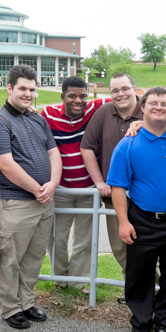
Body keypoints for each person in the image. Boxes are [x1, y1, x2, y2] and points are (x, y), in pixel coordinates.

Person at [107, 87, 166, 332]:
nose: (158, 108)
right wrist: (123, 222)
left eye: (164, 104)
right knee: (139, 274)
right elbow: (118, 186)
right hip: (142, 218)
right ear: (142, 108)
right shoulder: (128, 144)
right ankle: (141, 323)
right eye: (153, 103)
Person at [0, 64, 61, 330]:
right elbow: (5, 164)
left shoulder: (37, 119)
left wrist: (52, 183)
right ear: (9, 88)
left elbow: (53, 153)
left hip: (44, 201)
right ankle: (10, 308)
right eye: (22, 89)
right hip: (15, 202)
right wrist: (36, 188)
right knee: (11, 259)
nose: (28, 94)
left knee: (34, 256)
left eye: (32, 89)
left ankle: (27, 302)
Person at [41, 76, 108, 293]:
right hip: (61, 189)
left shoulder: (94, 108)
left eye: (82, 96)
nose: (78, 100)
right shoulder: (48, 114)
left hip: (89, 189)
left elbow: (126, 97)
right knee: (56, 238)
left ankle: (79, 281)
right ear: (63, 97)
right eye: (72, 96)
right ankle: (61, 278)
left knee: (84, 240)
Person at [80, 73, 143, 302]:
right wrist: (98, 181)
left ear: (134, 88)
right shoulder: (104, 112)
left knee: (148, 250)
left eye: (125, 88)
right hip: (113, 197)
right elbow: (86, 147)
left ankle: (152, 292)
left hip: (145, 198)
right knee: (120, 248)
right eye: (115, 90)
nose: (120, 94)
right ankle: (133, 289)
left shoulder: (148, 111)